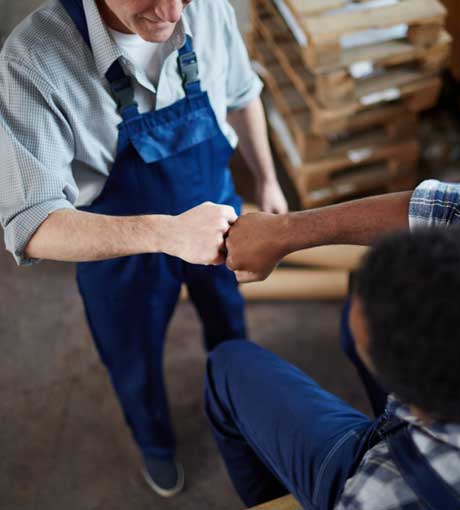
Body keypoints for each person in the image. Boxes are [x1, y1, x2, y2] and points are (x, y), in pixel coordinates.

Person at [0, 0, 287, 497]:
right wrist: (166, 233)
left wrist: (268, 180)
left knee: (230, 324)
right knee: (132, 355)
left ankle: (243, 408)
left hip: (218, 218)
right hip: (119, 253)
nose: (172, 12)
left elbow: (242, 95)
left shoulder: (209, 9)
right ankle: (155, 444)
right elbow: (31, 223)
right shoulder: (32, 59)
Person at [204, 180, 460, 509]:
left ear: (411, 406)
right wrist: (285, 230)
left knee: (228, 365)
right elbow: (453, 208)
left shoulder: (379, 495)